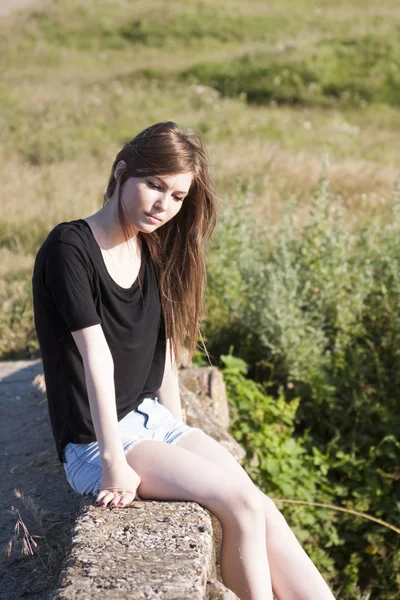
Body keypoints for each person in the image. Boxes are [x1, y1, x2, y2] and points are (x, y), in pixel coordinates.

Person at [32, 121, 336, 600]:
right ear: (121, 171)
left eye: (177, 196)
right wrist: (114, 463)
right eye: (155, 185)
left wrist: (179, 431)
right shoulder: (70, 248)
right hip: (99, 440)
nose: (164, 205)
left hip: (154, 423)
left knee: (262, 506)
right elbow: (96, 359)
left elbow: (164, 352)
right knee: (240, 506)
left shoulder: (149, 246)